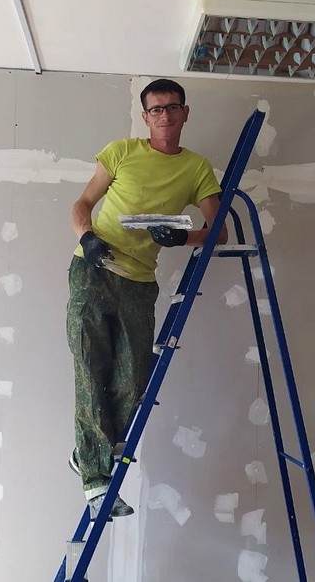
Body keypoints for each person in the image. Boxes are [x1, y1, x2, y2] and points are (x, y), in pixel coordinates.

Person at [66, 78, 227, 519]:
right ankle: (96, 480)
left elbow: (219, 231)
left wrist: (183, 237)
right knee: (90, 368)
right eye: (156, 109)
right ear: (145, 117)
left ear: (185, 112)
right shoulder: (121, 152)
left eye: (172, 107)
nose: (165, 116)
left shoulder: (197, 168)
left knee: (133, 380)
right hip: (93, 270)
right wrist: (87, 238)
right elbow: (81, 204)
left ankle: (87, 451)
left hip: (139, 282)